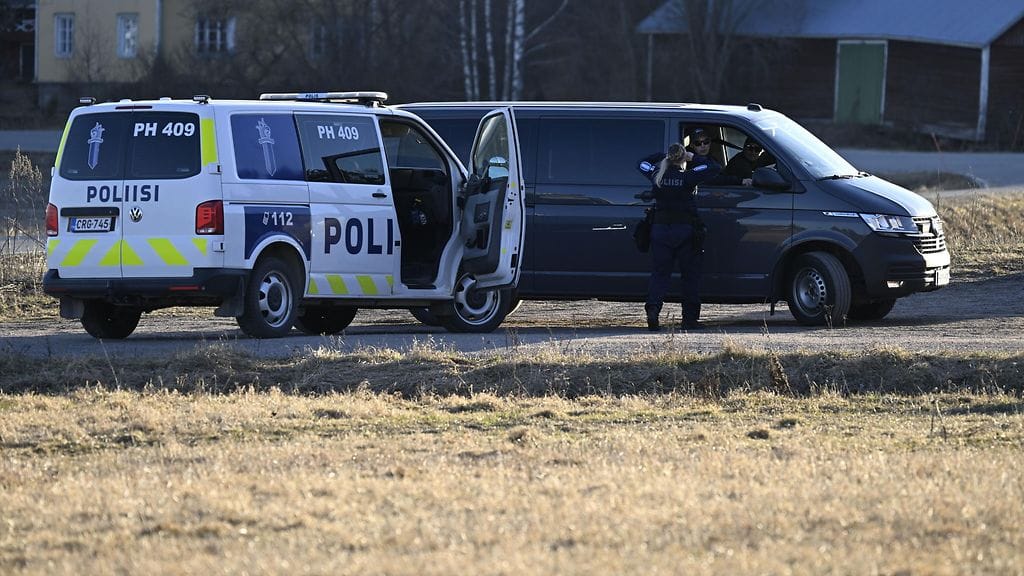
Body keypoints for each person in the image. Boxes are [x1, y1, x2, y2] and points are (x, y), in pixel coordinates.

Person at [637, 142, 721, 331]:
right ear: (682, 159)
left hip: (660, 230)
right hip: (685, 231)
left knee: (660, 274)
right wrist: (693, 157)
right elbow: (714, 167)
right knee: (689, 276)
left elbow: (641, 163)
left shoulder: (656, 176)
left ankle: (653, 310)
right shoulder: (689, 177)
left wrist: (662, 154)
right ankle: (689, 320)